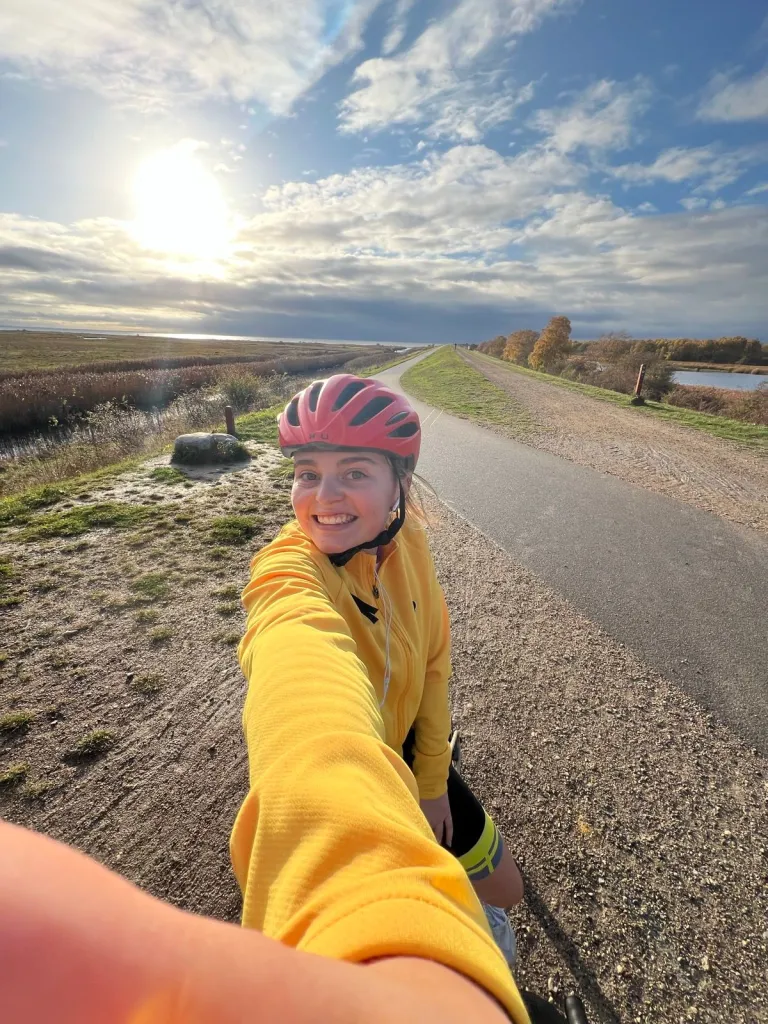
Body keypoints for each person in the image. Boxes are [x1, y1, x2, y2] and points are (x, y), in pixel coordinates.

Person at [230, 373, 527, 1017]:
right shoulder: (288, 572)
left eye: (354, 472)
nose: (324, 498)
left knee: (508, 893)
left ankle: (488, 935)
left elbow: (435, 661)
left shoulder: (409, 541)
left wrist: (430, 781)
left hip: (420, 766)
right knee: (484, 922)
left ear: (400, 484)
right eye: (307, 473)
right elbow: (296, 670)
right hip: (367, 785)